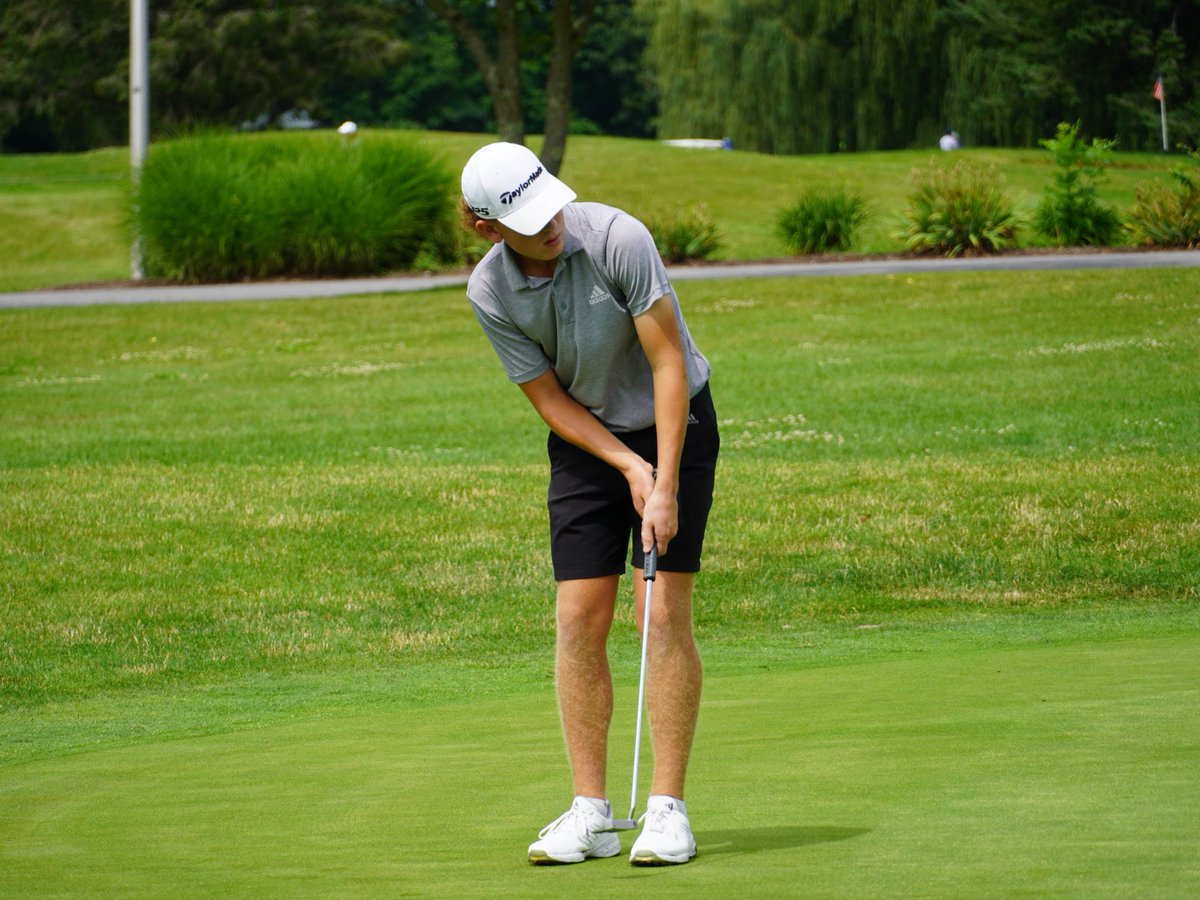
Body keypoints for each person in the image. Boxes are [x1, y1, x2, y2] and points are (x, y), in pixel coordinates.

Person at [459, 142, 719, 866]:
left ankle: (667, 810)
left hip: (677, 423)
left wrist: (661, 482)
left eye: (550, 206)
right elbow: (547, 399)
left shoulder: (617, 239)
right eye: (529, 219)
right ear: (487, 228)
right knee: (578, 614)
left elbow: (669, 363)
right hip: (587, 439)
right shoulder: (490, 291)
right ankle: (592, 813)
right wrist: (624, 465)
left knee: (660, 606)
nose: (552, 225)